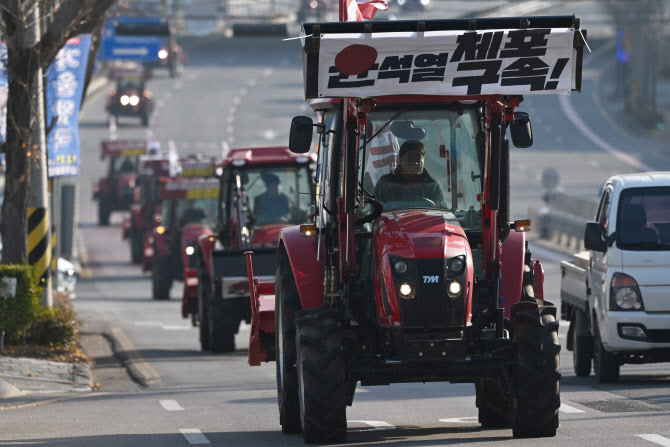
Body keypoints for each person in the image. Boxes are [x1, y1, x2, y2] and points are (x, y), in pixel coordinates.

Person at [374, 140, 447, 208]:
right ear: (401, 159)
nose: (415, 162)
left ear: (424, 160)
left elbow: (442, 212)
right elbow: (376, 212)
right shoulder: (385, 184)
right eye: (410, 157)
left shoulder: (433, 185)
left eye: (418, 158)